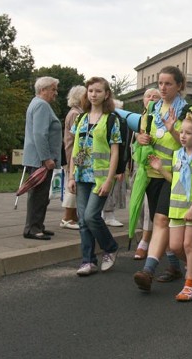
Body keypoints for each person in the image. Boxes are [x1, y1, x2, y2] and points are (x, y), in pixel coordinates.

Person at [132, 67, 192, 290]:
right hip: (152, 174)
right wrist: (140, 138)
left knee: (160, 220)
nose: (163, 88)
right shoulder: (150, 111)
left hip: (176, 176)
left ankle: (148, 271)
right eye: (160, 83)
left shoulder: (188, 111)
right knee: (163, 222)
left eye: (168, 84)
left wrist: (172, 130)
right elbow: (141, 138)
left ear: (179, 85)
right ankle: (176, 267)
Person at [145, 114, 192, 301]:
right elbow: (176, 181)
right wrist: (160, 169)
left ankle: (190, 285)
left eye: (188, 133)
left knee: (188, 245)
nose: (182, 136)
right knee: (175, 247)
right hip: (176, 209)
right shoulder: (177, 155)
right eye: (181, 132)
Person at [68, 77, 122, 276]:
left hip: (100, 178)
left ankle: (110, 247)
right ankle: (88, 261)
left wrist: (110, 179)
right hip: (81, 175)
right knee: (83, 220)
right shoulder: (81, 119)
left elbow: (115, 152)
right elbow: (76, 149)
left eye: (98, 91)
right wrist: (71, 176)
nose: (93, 94)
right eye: (90, 90)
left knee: (91, 216)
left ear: (106, 94)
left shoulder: (112, 120)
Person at [22, 76, 62, 240]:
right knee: (39, 195)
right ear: (43, 90)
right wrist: (46, 158)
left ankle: (37, 225)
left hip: (37, 158)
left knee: (40, 195)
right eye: (53, 89)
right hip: (40, 160)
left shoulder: (36, 103)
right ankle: (32, 228)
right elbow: (40, 134)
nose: (56, 93)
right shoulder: (41, 106)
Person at [133, 88, 161, 260]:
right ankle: (152, 238)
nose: (151, 98)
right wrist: (138, 137)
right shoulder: (139, 119)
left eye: (155, 96)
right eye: (148, 96)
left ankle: (145, 241)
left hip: (156, 168)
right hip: (139, 167)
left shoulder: (160, 118)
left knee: (149, 206)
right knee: (141, 208)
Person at [60, 85, 86, 231]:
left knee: (74, 183)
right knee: (73, 184)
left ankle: (73, 216)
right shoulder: (76, 114)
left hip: (75, 153)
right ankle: (67, 217)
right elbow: (78, 137)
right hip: (75, 154)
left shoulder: (76, 112)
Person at [102, 99, 128, 227]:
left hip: (110, 161)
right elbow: (121, 145)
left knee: (112, 189)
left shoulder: (118, 121)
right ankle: (108, 215)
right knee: (110, 190)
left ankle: (107, 214)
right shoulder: (116, 121)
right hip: (108, 161)